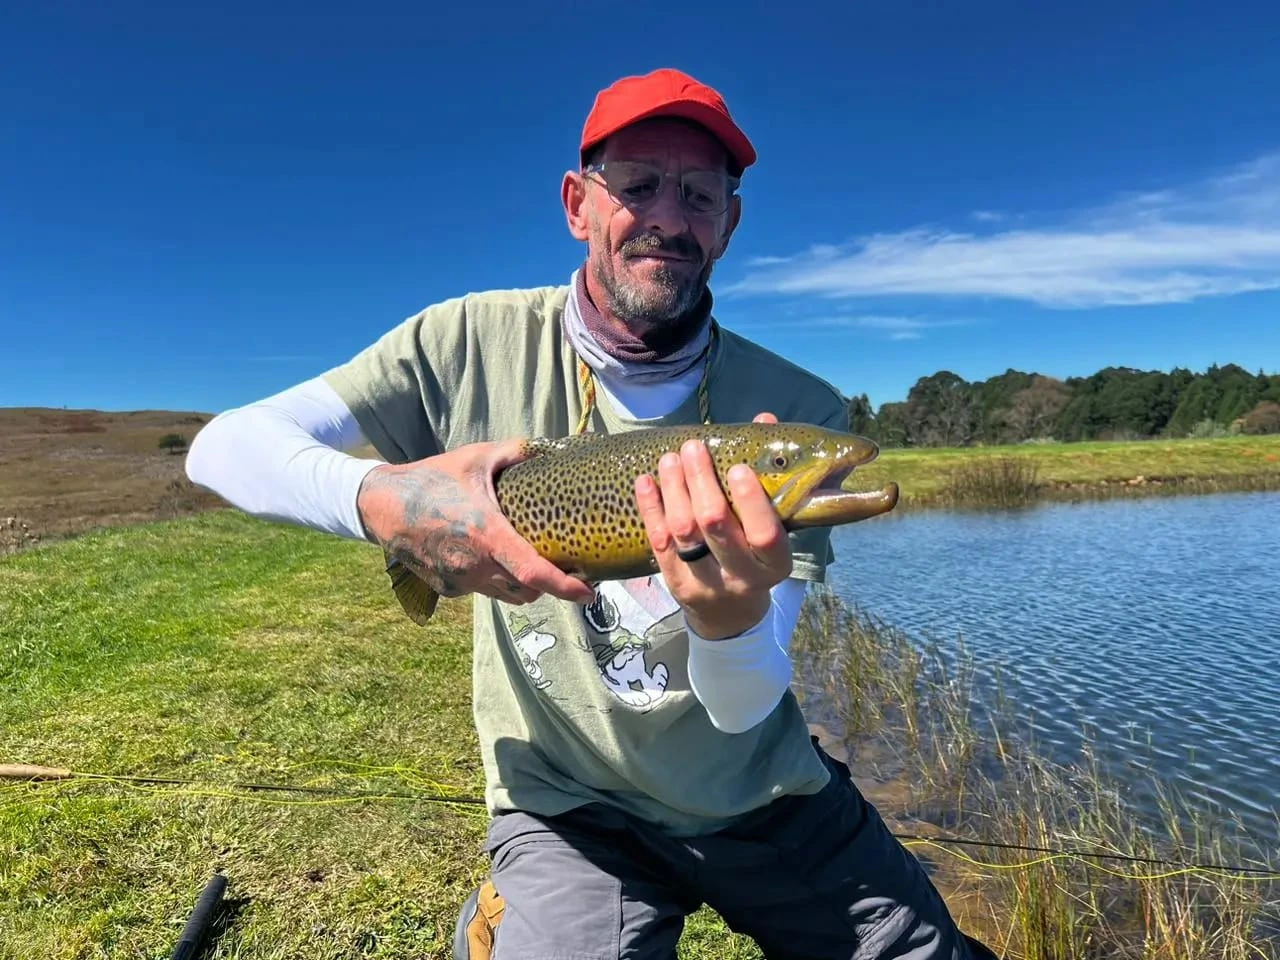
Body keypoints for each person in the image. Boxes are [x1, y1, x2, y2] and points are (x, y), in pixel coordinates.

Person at [186, 67, 999, 960]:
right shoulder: (464, 342)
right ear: (578, 204)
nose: (668, 217)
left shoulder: (794, 408)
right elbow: (224, 447)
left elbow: (743, 708)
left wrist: (728, 623)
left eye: (699, 195)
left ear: (729, 222)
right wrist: (382, 499)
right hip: (566, 807)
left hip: (762, 793)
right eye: (638, 185)